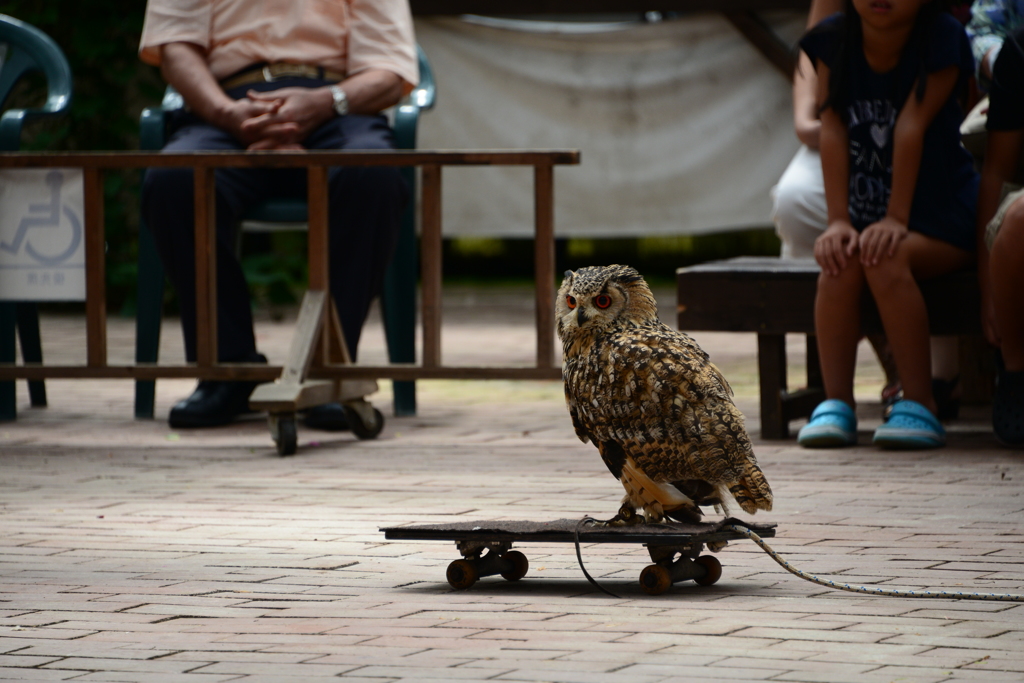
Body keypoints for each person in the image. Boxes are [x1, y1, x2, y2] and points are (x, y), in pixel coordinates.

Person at [138, 0, 418, 429]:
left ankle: (329, 370)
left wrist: (325, 103)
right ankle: (227, 370)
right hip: (225, 106)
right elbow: (175, 48)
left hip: (339, 107)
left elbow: (390, 70)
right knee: (176, 181)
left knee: (372, 175)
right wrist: (224, 113)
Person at [796, 0, 979, 449]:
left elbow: (910, 125)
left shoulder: (942, 37)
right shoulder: (832, 40)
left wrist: (896, 219)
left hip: (942, 212)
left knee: (884, 256)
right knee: (839, 260)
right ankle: (836, 402)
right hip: (869, 213)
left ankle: (919, 402)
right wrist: (838, 221)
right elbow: (833, 128)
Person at [976, 28, 1024, 446]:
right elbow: (997, 171)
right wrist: (986, 286)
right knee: (1019, 217)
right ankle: (1015, 373)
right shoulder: (1019, 49)